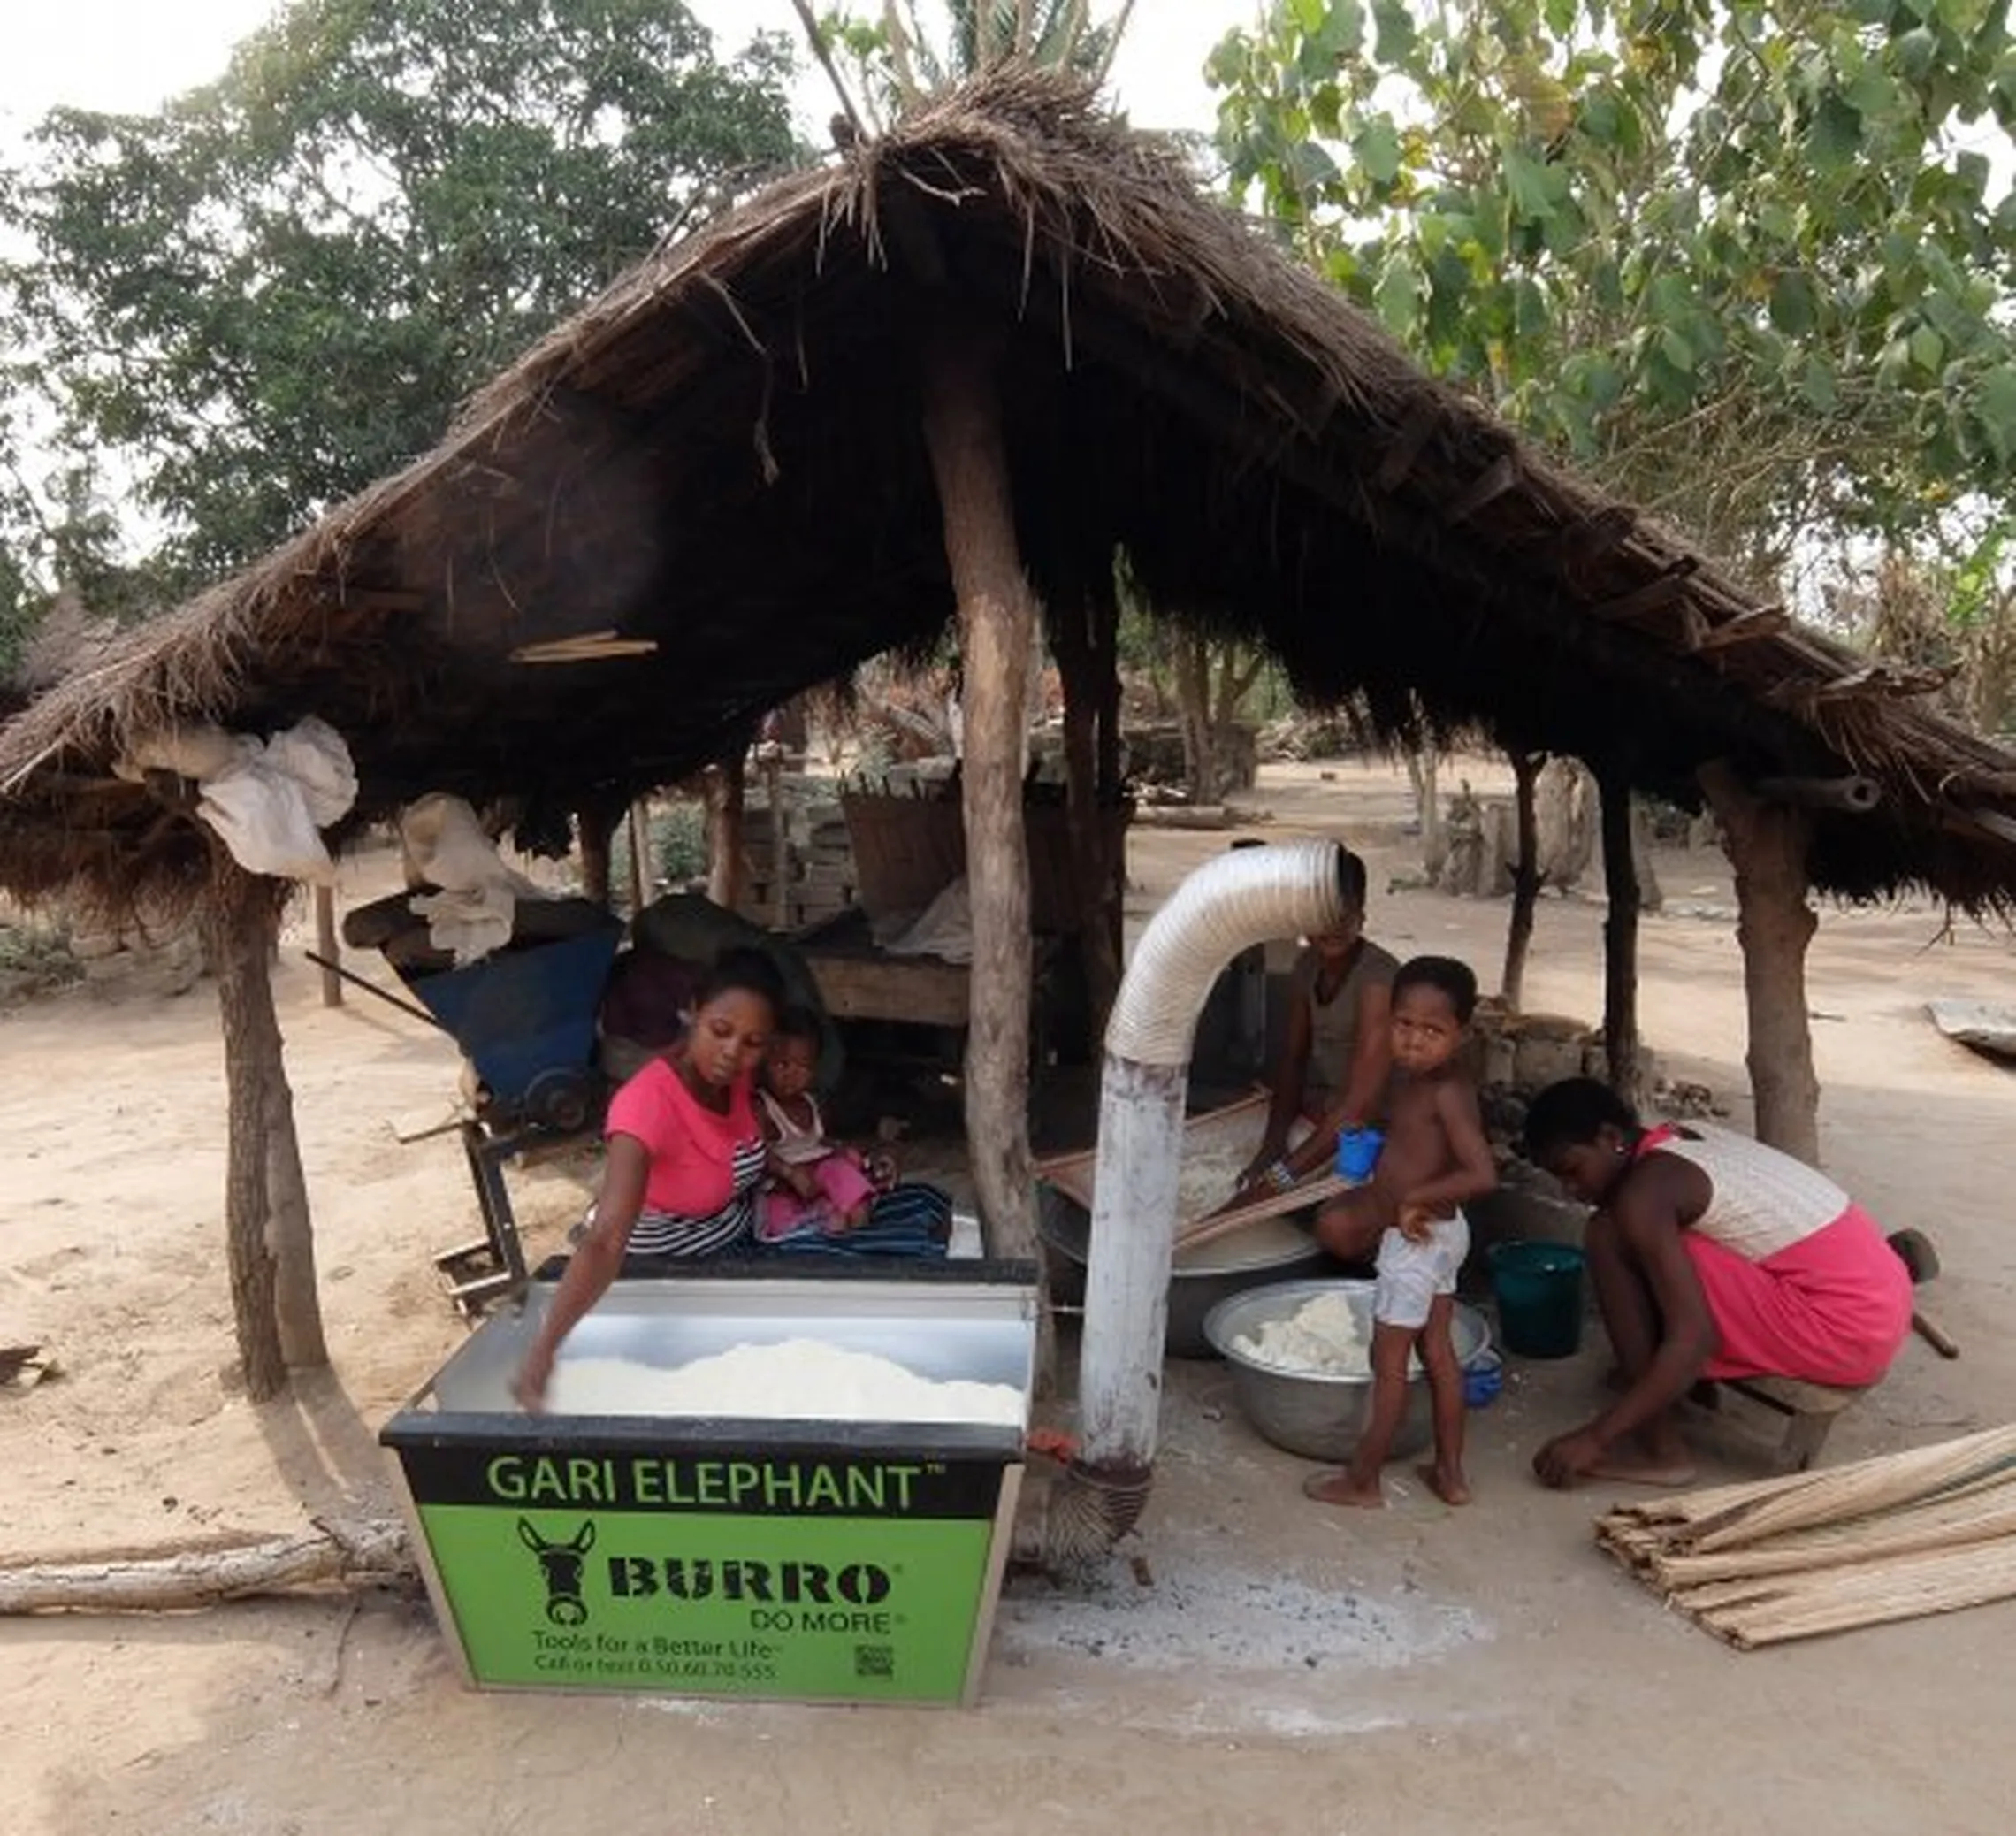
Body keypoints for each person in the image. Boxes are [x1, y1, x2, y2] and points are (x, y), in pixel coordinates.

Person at [1521, 1078, 1914, 1489]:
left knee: (1607, 1233)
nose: (1571, 1191)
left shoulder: (1644, 1194)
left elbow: (1695, 1340)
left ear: (1611, 1137)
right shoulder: (1679, 1137)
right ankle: (1661, 1388)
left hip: (1846, 1329)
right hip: (1883, 1301)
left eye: (1572, 1171)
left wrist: (1596, 1437)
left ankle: (1661, 1450)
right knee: (1647, 1240)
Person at [1303, 956, 1498, 1509]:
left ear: (1461, 1035)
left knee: (1387, 1363)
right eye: (1404, 1025)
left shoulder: (1448, 1092)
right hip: (1442, 1233)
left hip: (1417, 1238)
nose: (1413, 1041)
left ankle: (1362, 1479)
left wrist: (1413, 1198)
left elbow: (1481, 1174)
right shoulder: (1415, 1079)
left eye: (1432, 1031)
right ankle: (1451, 1473)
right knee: (1437, 1351)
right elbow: (1420, 1147)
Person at [1235, 847, 1398, 1203]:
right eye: (1319, 911)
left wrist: (1272, 1183)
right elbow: (1293, 1060)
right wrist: (1271, 1149)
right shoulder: (1306, 967)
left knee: (1328, 1219)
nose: (1332, 924)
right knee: (1235, 1151)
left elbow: (1359, 1108)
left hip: (1370, 1129)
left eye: (1344, 911)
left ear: (1361, 915)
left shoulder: (1378, 980)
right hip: (1327, 1111)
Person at [756, 1006, 890, 1239]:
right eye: (781, 1065)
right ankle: (818, 1223)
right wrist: (789, 1173)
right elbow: (757, 1150)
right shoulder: (762, 1107)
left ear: (816, 1069)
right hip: (783, 1184)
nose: (792, 1076)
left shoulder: (813, 1102)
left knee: (841, 1172)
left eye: (803, 1068)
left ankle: (852, 1220)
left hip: (821, 1179)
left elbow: (818, 1141)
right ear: (763, 1063)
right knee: (775, 1213)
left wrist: (842, 1149)